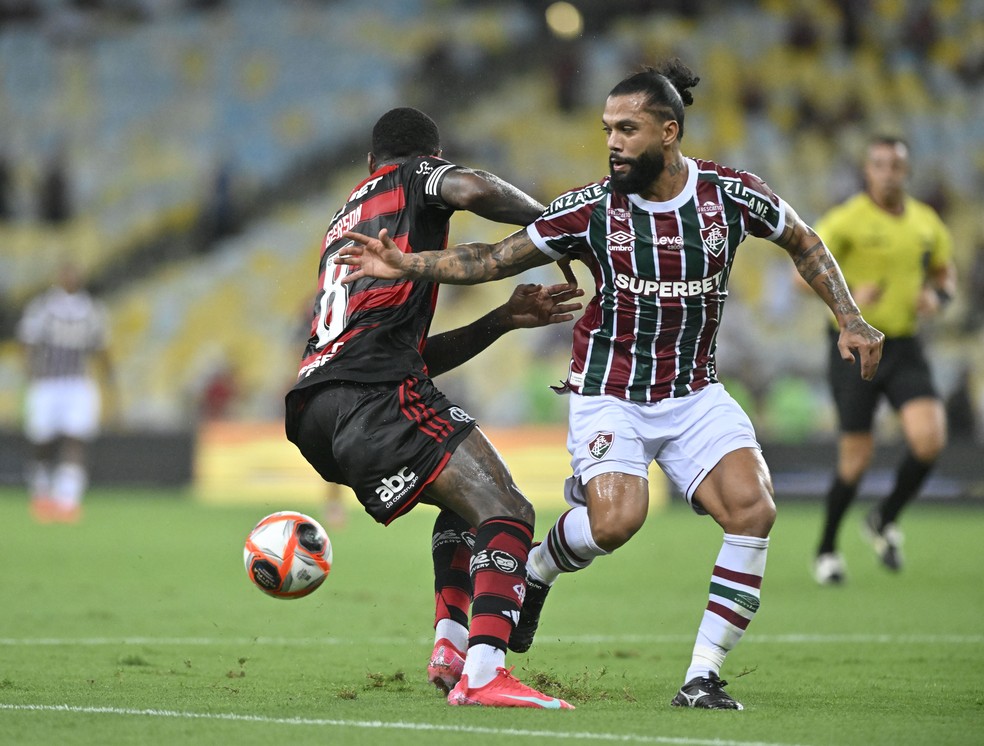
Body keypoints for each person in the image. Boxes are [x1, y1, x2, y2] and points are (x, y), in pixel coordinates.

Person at [338, 61, 885, 710]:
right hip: (610, 391)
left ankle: (702, 676)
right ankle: (538, 568)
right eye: (607, 130)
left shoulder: (730, 195)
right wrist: (410, 261)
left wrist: (849, 318)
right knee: (618, 520)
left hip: (693, 390)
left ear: (669, 132)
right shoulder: (590, 208)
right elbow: (492, 258)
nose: (614, 142)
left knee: (754, 509)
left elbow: (805, 241)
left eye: (628, 129)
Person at [284, 107, 582, 709]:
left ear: (369, 161)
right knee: (510, 511)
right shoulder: (414, 179)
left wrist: (501, 320)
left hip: (315, 408)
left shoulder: (347, 220)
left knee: (464, 504)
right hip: (372, 396)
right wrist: (558, 224)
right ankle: (484, 673)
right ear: (429, 157)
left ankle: (450, 645)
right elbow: (474, 189)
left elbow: (405, 354)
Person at [811, 135, 956, 585]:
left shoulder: (926, 222)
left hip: (905, 345)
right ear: (867, 170)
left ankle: (883, 518)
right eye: (879, 164)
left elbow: (943, 270)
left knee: (929, 439)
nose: (888, 173)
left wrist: (939, 295)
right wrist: (849, 290)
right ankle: (827, 548)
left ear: (905, 171)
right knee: (856, 459)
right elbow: (804, 274)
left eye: (895, 165)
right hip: (854, 346)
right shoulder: (846, 220)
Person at [18, 262, 115, 523]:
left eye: (75, 272)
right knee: (43, 441)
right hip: (47, 383)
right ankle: (41, 493)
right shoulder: (42, 308)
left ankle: (67, 500)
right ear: (58, 276)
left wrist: (109, 379)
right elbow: (28, 343)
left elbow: (101, 347)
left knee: (76, 438)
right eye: (66, 272)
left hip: (77, 383)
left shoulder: (92, 310)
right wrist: (29, 374)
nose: (71, 277)